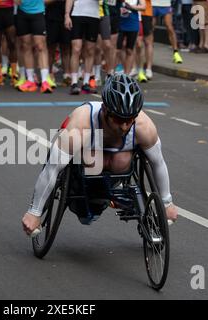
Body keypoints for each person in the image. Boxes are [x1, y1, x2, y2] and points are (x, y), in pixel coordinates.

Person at [22, 74, 178, 236]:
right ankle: (86, 195)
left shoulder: (144, 127)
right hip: (84, 167)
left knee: (121, 159)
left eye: (130, 119)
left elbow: (158, 163)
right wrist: (34, 212)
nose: (124, 126)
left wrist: (167, 203)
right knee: (91, 163)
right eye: (118, 119)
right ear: (105, 110)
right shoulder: (81, 124)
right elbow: (51, 170)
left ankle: (104, 194)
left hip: (115, 167)